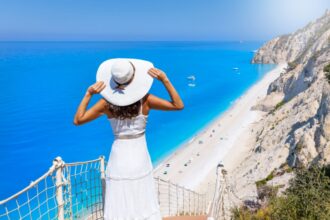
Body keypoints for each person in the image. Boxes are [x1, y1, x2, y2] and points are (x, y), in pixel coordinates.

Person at [73, 58, 184, 219]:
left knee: (119, 197)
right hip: (139, 154)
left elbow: (78, 120)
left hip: (119, 155)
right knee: (141, 195)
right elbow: (178, 105)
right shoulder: (145, 101)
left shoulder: (106, 104)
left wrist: (88, 94)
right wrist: (165, 80)